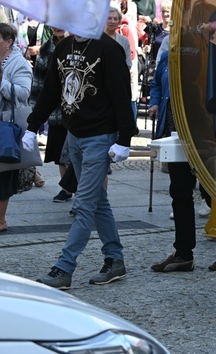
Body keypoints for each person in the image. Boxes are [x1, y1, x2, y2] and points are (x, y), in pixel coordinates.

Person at [26, 26, 135, 289]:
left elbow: (122, 95)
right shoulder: (64, 47)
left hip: (100, 136)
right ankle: (115, 259)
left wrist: (125, 139)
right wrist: (33, 125)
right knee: (97, 201)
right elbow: (51, 89)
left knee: (84, 205)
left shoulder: (109, 49)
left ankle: (64, 268)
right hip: (73, 134)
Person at [149, 5, 216, 272]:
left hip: (204, 132)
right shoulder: (174, 52)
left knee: (211, 191)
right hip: (178, 132)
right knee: (179, 190)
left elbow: (211, 97)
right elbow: (161, 82)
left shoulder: (214, 54)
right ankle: (183, 252)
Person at [30, 27, 72, 203]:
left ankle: (79, 189)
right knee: (59, 152)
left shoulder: (76, 46)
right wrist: (35, 112)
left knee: (76, 154)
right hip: (55, 108)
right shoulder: (46, 49)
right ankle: (66, 188)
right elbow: (38, 81)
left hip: (77, 109)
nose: (57, 26)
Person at [0, 23, 33, 232]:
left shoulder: (18, 63)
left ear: (9, 42)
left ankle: (0, 220)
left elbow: (23, 93)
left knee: (2, 175)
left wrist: (0, 82)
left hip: (4, 125)